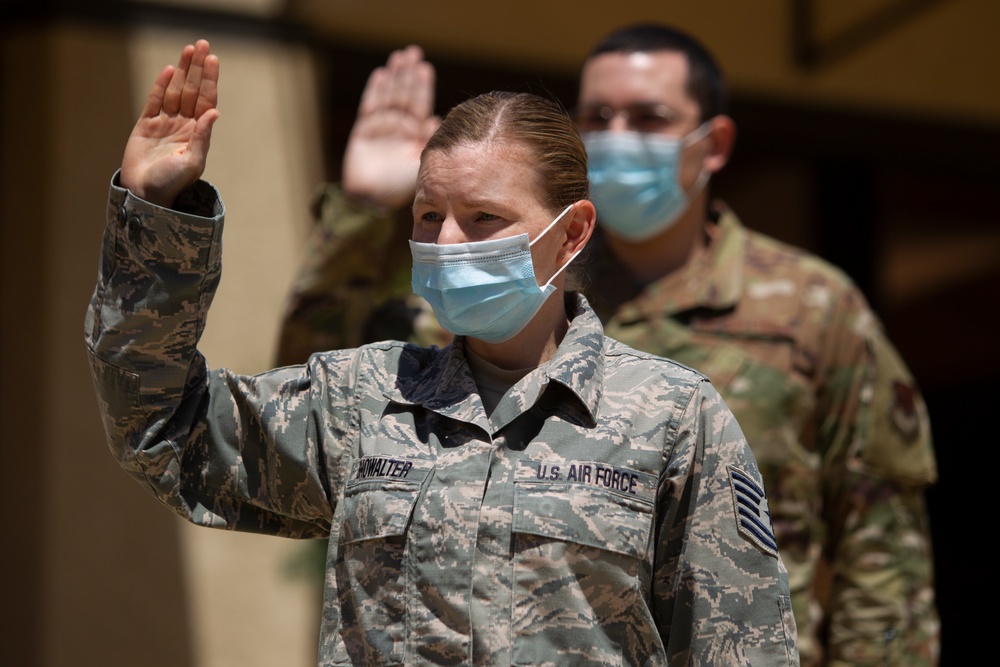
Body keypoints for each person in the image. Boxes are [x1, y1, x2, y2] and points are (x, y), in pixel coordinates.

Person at [84, 39, 799, 666]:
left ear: (572, 232)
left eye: (484, 218)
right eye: (430, 216)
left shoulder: (672, 417)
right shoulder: (361, 394)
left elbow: (742, 647)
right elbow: (163, 429)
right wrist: (157, 216)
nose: (447, 242)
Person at [274, 24, 939, 667]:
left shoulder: (813, 309)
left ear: (712, 144)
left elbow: (880, 551)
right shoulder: (516, 298)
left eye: (648, 119)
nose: (618, 139)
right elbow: (309, 422)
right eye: (598, 116)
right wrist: (363, 212)